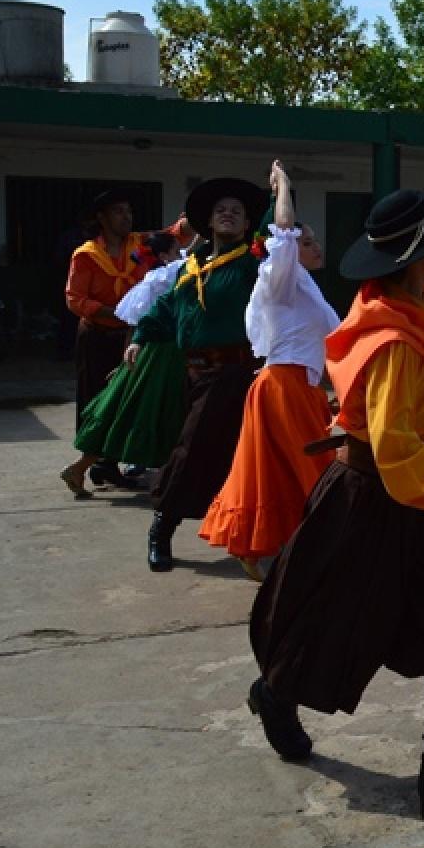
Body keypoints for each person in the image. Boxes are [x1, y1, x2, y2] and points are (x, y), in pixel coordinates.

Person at [247, 175, 424, 821]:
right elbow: (398, 454)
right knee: (327, 626)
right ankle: (273, 693)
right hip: (374, 498)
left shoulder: (412, 302)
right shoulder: (394, 339)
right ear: (416, 256)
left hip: (408, 496)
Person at [199, 161, 340, 581]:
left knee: (279, 472)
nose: (313, 245)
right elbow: (281, 232)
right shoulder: (277, 276)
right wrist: (284, 188)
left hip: (300, 386)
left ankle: (264, 547)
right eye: (305, 239)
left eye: (310, 239)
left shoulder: (306, 288)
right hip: (283, 385)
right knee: (317, 471)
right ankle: (327, 548)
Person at [128, 177, 270, 573]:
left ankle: (164, 526)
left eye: (237, 211)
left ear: (246, 225)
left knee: (201, 452)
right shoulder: (191, 267)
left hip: (234, 372)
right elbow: (167, 309)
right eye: (221, 209)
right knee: (193, 448)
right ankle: (169, 528)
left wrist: (280, 190)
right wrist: (141, 336)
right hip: (188, 373)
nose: (228, 214)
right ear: (207, 220)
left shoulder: (253, 266)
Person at [63, 190, 189, 494]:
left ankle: (104, 465)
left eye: (129, 211)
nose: (126, 217)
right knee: (99, 397)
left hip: (133, 336)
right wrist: (117, 313)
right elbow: (75, 299)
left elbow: (176, 234)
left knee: (123, 398)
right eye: (118, 211)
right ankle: (94, 460)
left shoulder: (141, 244)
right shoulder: (87, 254)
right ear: (101, 218)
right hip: (98, 334)